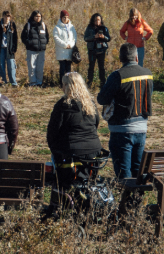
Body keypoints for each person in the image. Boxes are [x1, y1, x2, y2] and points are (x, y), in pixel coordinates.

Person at [46, 71, 102, 211]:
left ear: (67, 86)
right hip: (93, 152)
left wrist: (55, 150)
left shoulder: (63, 104)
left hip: (71, 154)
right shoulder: (90, 104)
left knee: (58, 171)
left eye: (63, 85)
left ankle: (61, 203)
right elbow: (95, 125)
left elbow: (52, 132)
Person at [97, 44, 153, 181]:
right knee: (137, 169)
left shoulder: (117, 76)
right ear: (136, 57)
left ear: (121, 58)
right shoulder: (148, 74)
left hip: (121, 130)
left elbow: (101, 99)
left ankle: (127, 200)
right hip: (141, 129)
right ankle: (136, 201)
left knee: (124, 173)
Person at [22, 10, 51, 87]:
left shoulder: (43, 25)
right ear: (33, 17)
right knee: (32, 67)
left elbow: (47, 37)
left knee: (40, 68)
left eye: (39, 16)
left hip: (41, 51)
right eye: (36, 16)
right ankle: (32, 83)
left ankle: (39, 83)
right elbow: (23, 37)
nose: (38, 18)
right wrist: (30, 44)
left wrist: (44, 43)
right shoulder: (28, 25)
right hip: (31, 50)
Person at [0, 11, 19, 86]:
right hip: (0, 49)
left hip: (9, 49)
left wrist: (14, 48)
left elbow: (15, 38)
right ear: (3, 16)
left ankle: (13, 83)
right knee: (1, 66)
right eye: (6, 16)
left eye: (9, 16)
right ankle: (3, 82)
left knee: (11, 66)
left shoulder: (12, 25)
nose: (7, 18)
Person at [83, 13, 111, 87]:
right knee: (91, 67)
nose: (97, 21)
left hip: (102, 50)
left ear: (101, 20)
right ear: (93, 20)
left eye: (98, 20)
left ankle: (103, 83)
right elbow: (85, 38)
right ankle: (89, 83)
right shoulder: (89, 28)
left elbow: (108, 38)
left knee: (101, 67)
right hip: (92, 50)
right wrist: (93, 37)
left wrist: (103, 37)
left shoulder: (104, 28)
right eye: (95, 20)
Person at [53, 10, 78, 85]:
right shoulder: (57, 28)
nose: (65, 19)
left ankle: (68, 83)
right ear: (61, 18)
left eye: (67, 17)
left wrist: (71, 45)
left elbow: (74, 37)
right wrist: (65, 45)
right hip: (61, 51)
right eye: (64, 17)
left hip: (69, 51)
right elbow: (56, 38)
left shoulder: (71, 27)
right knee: (62, 69)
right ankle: (62, 83)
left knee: (68, 69)